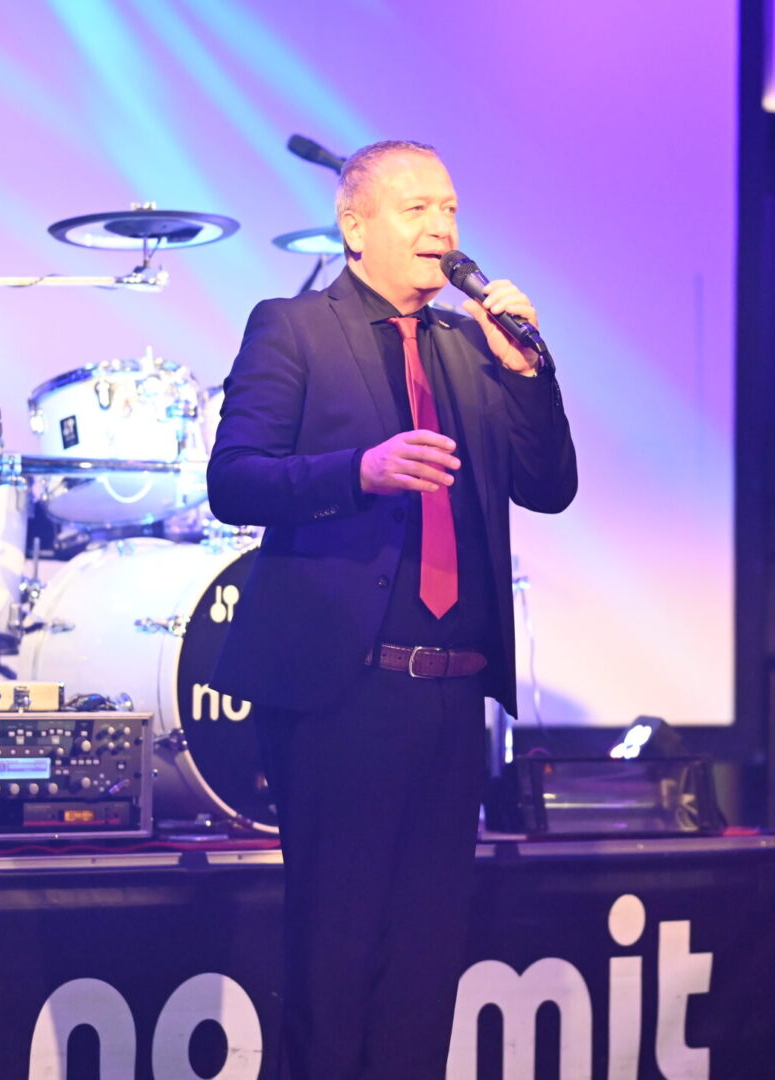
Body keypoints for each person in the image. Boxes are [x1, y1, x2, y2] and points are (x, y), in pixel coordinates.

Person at [206, 139, 578, 1079]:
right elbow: (233, 481)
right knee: (335, 952)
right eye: (417, 209)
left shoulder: (470, 347)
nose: (442, 228)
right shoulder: (293, 326)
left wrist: (530, 371)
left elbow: (550, 486)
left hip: (452, 697)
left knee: (427, 961)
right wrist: (356, 472)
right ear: (355, 224)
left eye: (450, 209)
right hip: (345, 691)